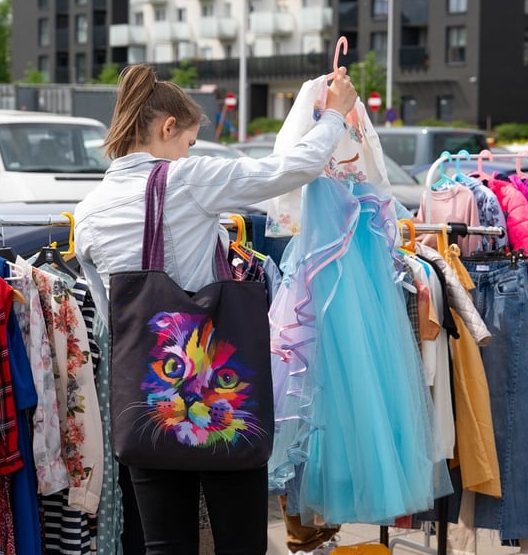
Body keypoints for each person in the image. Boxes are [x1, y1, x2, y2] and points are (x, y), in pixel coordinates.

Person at [73, 63, 357, 555]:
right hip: (224, 402)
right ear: (166, 129)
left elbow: (113, 315)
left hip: (148, 405)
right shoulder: (186, 180)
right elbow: (289, 168)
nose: (189, 152)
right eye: (188, 141)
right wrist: (334, 116)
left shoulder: (89, 209)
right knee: (241, 542)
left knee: (164, 544)